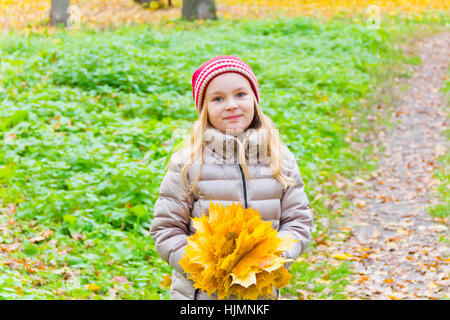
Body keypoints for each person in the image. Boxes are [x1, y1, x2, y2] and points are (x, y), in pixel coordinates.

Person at [150, 55, 313, 300]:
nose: (231, 105)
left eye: (240, 95)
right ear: (204, 109)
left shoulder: (280, 159)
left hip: (261, 293)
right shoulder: (187, 164)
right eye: (217, 99)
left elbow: (298, 221)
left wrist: (274, 258)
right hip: (202, 294)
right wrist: (204, 268)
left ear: (255, 99)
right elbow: (167, 229)